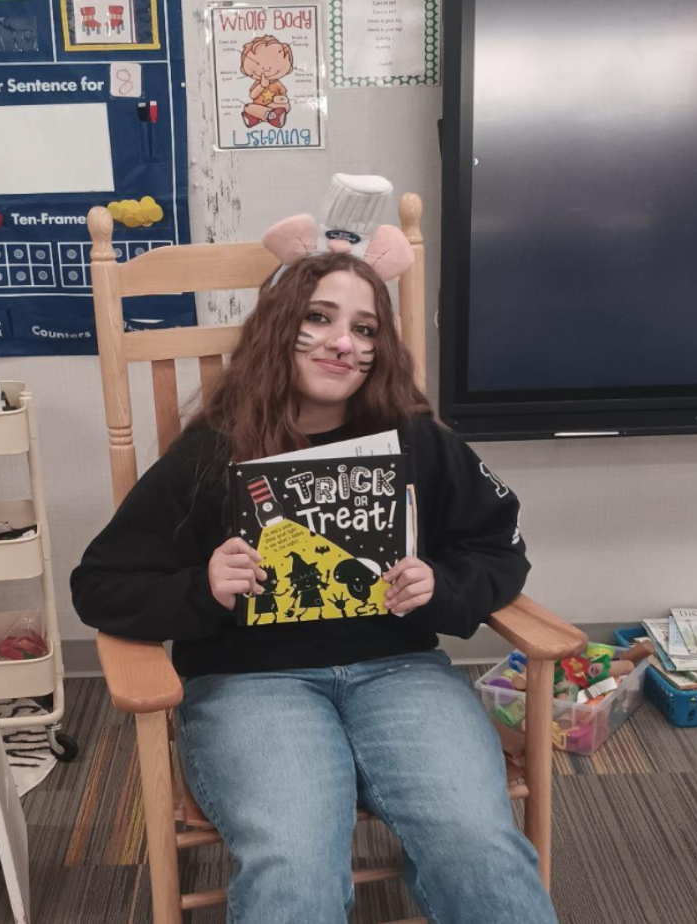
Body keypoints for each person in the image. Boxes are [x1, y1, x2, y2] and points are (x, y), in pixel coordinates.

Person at [71, 205, 558, 924]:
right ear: (279, 329)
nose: (341, 343)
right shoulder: (211, 451)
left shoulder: (417, 441)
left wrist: (442, 584)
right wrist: (201, 588)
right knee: (296, 860)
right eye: (320, 318)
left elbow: (496, 545)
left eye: (364, 328)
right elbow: (102, 584)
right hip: (251, 685)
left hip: (398, 671)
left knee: (475, 838)